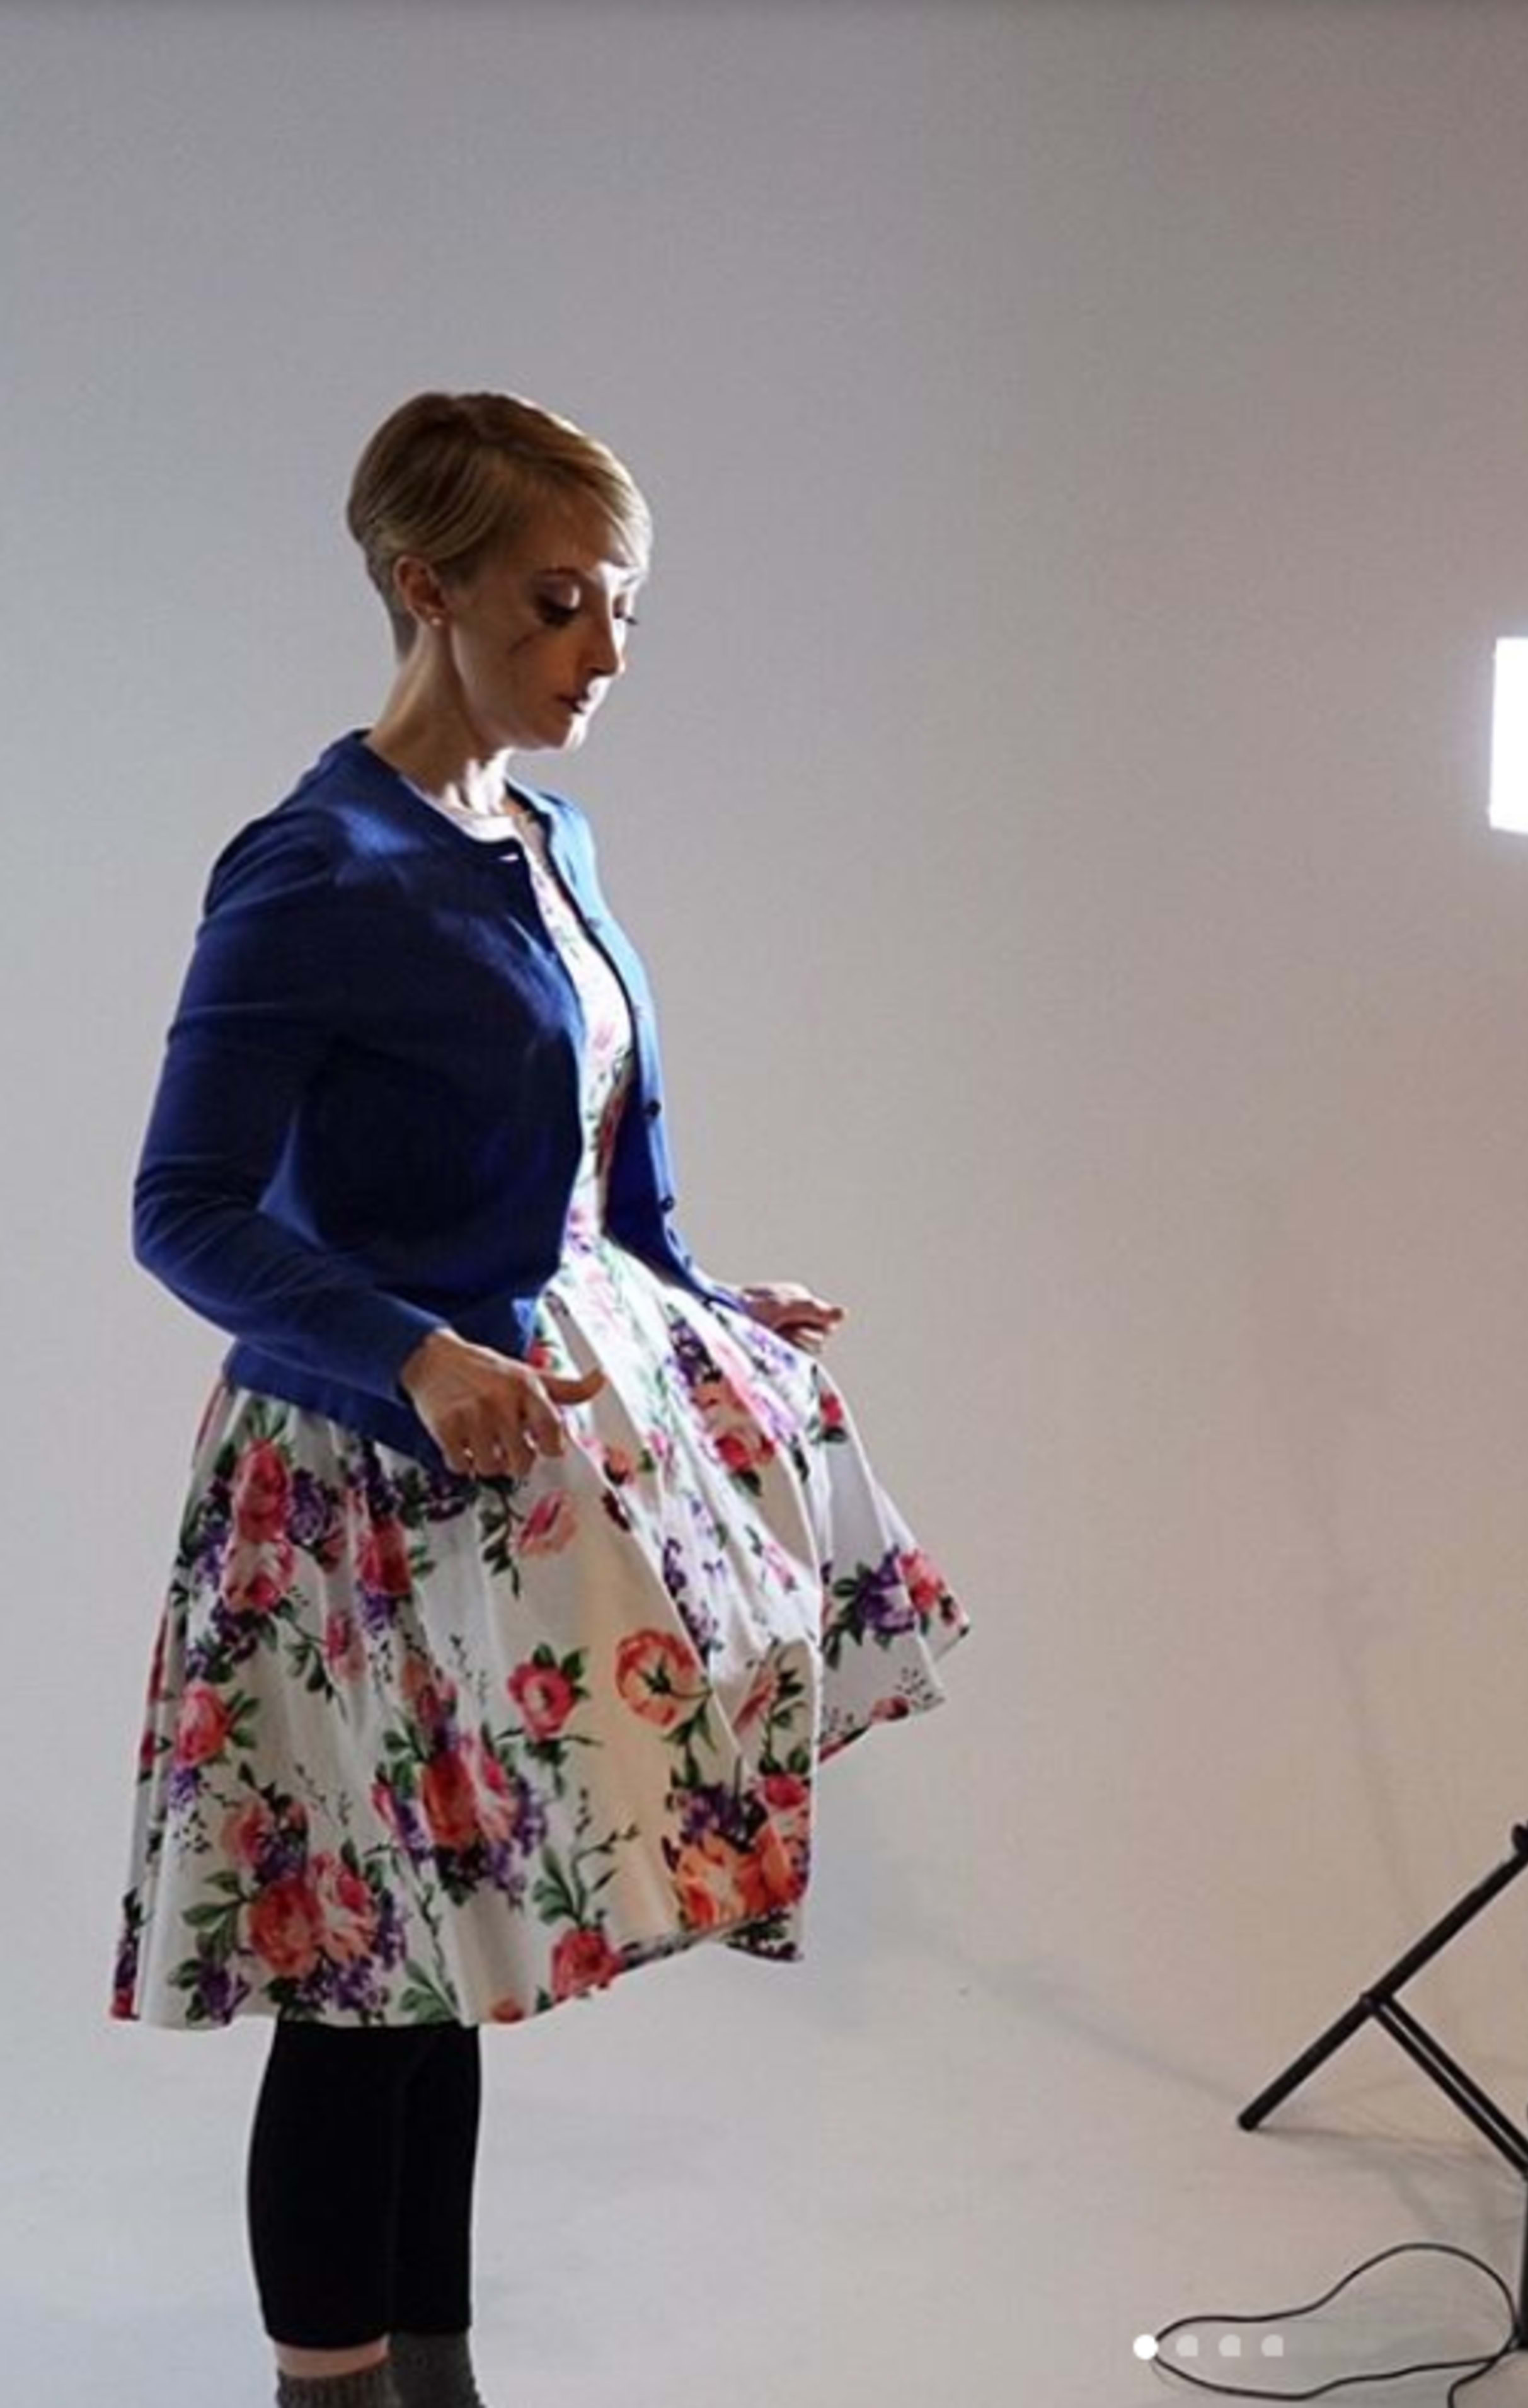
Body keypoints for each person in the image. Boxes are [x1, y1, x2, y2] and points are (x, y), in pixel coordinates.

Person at [112, 392, 968, 2408]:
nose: (605, 653)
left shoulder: (546, 835)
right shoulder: (313, 869)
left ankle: (436, 2376)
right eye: (561, 603)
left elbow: (595, 1172)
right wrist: (410, 1349)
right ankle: (332, 2397)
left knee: (451, 1969)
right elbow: (183, 1208)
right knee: (355, 1985)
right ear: (427, 590)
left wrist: (700, 1298)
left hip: (521, 1462)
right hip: (355, 1492)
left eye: (627, 610)